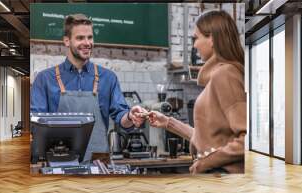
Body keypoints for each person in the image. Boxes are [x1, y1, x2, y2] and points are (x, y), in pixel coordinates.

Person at [31, 13, 146, 163]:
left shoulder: (108, 78)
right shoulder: (45, 79)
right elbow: (35, 123)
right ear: (67, 41)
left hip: (98, 162)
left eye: (90, 37)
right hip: (57, 163)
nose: (87, 43)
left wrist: (131, 116)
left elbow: (121, 116)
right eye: (80, 38)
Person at [148, 10, 246, 174]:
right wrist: (167, 123)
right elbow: (207, 139)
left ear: (212, 39)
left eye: (196, 38)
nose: (194, 45)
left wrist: (205, 163)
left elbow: (246, 140)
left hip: (222, 178)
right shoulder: (218, 76)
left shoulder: (225, 74)